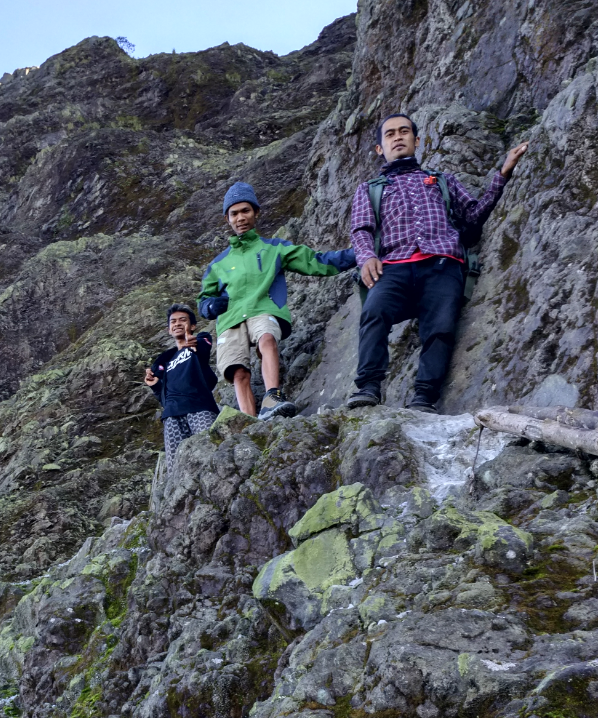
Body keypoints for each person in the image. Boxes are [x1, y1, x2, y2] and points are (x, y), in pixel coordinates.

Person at [346, 113, 530, 413]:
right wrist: (366, 257)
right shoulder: (369, 189)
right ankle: (368, 387)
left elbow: (472, 217)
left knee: (441, 326)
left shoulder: (442, 180)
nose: (397, 137)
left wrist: (503, 173)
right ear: (380, 148)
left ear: (417, 141)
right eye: (389, 134)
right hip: (393, 266)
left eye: (404, 131)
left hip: (443, 264)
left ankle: (424, 398)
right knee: (374, 312)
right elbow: (362, 229)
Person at [198, 182, 355, 420]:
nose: (240, 217)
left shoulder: (274, 249)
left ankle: (273, 397)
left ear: (256, 212)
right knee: (237, 372)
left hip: (263, 307)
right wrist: (209, 306)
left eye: (245, 211)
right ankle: (249, 421)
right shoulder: (218, 263)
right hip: (230, 318)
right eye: (234, 213)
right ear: (227, 218)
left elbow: (316, 261)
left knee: (267, 338)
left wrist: (358, 253)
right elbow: (204, 299)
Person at [144, 304, 219, 475]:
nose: (177, 324)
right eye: (173, 321)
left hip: (200, 407)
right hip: (171, 415)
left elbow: (204, 345)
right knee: (176, 469)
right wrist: (155, 385)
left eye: (182, 320)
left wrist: (194, 342)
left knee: (210, 456)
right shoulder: (167, 362)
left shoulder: (198, 343)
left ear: (192, 326)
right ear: (169, 329)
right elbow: (164, 397)